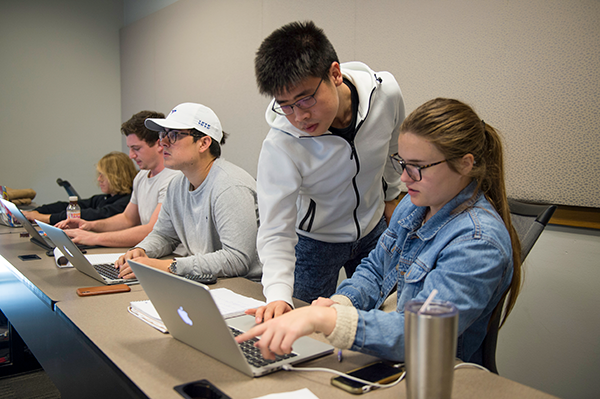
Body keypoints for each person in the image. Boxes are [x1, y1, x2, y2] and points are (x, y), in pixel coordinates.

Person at [236, 98, 522, 367]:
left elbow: (423, 333)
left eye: (419, 168)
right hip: (387, 357)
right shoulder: (413, 205)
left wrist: (328, 320)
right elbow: (374, 270)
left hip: (434, 374)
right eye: (403, 163)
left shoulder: (478, 242)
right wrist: (339, 304)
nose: (405, 178)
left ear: (465, 164)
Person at [251, 21, 405, 321]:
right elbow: (275, 228)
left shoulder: (386, 93)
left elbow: (394, 149)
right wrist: (278, 294)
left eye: (306, 98)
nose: (300, 116)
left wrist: (392, 196)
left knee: (384, 326)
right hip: (314, 242)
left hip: (374, 231)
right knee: (303, 330)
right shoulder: (281, 143)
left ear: (335, 73)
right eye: (286, 106)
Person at [115, 102, 262, 281]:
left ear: (203, 143)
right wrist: (140, 250)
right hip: (206, 280)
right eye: (163, 134)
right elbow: (164, 235)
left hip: (244, 286)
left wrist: (170, 266)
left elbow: (237, 260)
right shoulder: (177, 184)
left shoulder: (230, 186)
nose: (163, 142)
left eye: (174, 135)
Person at [54, 111, 181, 247]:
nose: (131, 155)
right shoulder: (141, 176)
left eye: (136, 148)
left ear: (160, 144)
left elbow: (152, 230)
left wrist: (94, 238)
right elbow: (127, 219)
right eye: (130, 148)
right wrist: (90, 225)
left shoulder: (173, 179)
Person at [24, 152, 137, 225]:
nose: (99, 179)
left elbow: (94, 214)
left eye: (103, 175)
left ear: (117, 176)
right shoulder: (104, 199)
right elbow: (72, 206)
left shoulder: (127, 202)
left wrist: (45, 218)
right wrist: (36, 212)